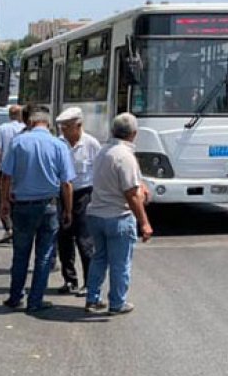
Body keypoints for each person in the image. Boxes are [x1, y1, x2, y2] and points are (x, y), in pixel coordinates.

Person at [0, 105, 75, 314]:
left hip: (22, 206)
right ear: (48, 124)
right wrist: (68, 210)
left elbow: (6, 176)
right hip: (49, 206)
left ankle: (15, 297)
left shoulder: (18, 142)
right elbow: (66, 183)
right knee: (44, 255)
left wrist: (4, 202)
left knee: (20, 254)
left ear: (30, 123)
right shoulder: (58, 145)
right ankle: (35, 300)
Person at [84, 113, 153, 316]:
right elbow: (131, 195)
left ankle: (92, 298)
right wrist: (145, 223)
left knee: (99, 259)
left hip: (96, 214)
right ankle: (117, 303)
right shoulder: (125, 156)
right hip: (117, 217)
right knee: (120, 263)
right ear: (134, 134)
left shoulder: (103, 151)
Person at [55, 107, 102, 297]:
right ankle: (69, 280)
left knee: (85, 241)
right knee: (64, 239)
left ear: (79, 126)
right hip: (62, 194)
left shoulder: (92, 144)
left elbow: (99, 173)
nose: (63, 131)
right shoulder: (58, 143)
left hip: (84, 194)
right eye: (62, 127)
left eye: (67, 127)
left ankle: (89, 283)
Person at [0, 104, 25, 243]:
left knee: (0, 198)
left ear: (9, 115)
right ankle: (17, 228)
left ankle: (9, 228)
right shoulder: (24, 129)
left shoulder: (2, 128)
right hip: (20, 169)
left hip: (5, 169)